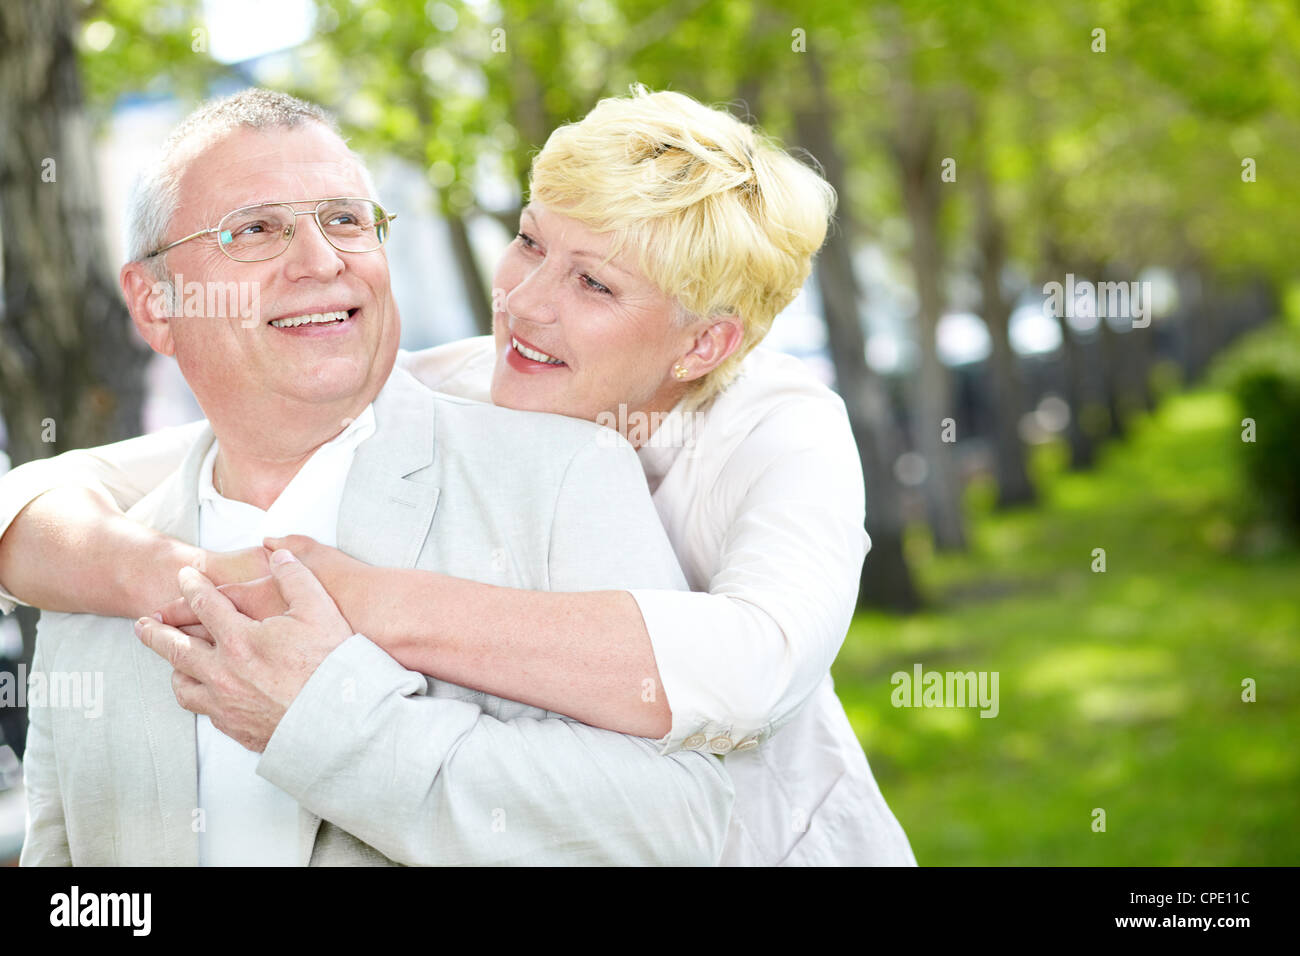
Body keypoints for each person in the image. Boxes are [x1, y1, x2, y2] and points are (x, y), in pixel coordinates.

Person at [0, 86, 916, 866]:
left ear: (705, 342)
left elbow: (753, 667)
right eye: (527, 243)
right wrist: (177, 577)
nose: (521, 299)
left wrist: (364, 609)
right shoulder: (459, 378)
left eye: (593, 285)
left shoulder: (776, 428)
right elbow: (84, 484)